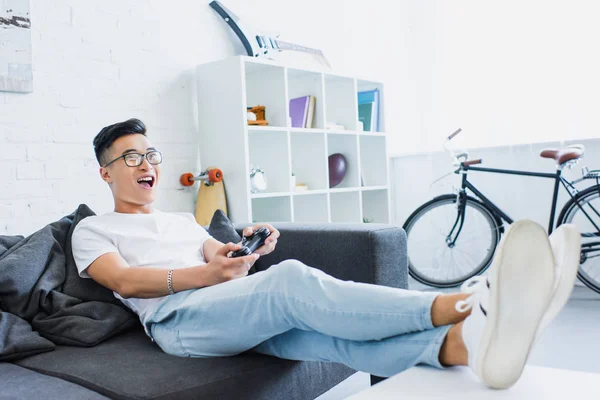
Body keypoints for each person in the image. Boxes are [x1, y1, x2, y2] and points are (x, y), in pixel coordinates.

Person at [72, 118, 581, 390]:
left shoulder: (182, 219)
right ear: (106, 173)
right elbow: (127, 282)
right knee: (290, 279)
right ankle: (469, 305)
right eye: (131, 157)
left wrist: (248, 252)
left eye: (150, 154)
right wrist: (208, 274)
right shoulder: (93, 229)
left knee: (325, 339)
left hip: (225, 308)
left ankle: (469, 349)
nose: (147, 165)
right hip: (176, 323)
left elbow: (223, 263)